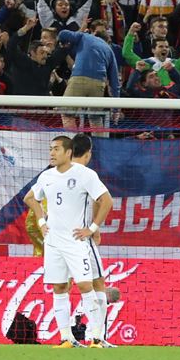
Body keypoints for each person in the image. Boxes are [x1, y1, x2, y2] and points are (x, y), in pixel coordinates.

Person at [23, 136, 113, 348]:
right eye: (50, 149)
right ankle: (66, 338)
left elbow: (106, 200)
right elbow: (30, 198)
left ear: (68, 152)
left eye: (56, 149)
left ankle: (97, 337)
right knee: (59, 287)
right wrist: (41, 219)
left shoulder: (85, 174)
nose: (52, 153)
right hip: (53, 241)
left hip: (75, 241)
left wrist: (91, 229)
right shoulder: (46, 176)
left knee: (84, 285)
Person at [70, 133, 116, 348]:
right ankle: (97, 336)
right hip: (81, 238)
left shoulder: (55, 173)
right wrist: (94, 228)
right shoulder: (88, 174)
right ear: (88, 154)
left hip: (59, 239)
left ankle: (66, 337)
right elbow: (104, 200)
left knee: (61, 287)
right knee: (97, 284)